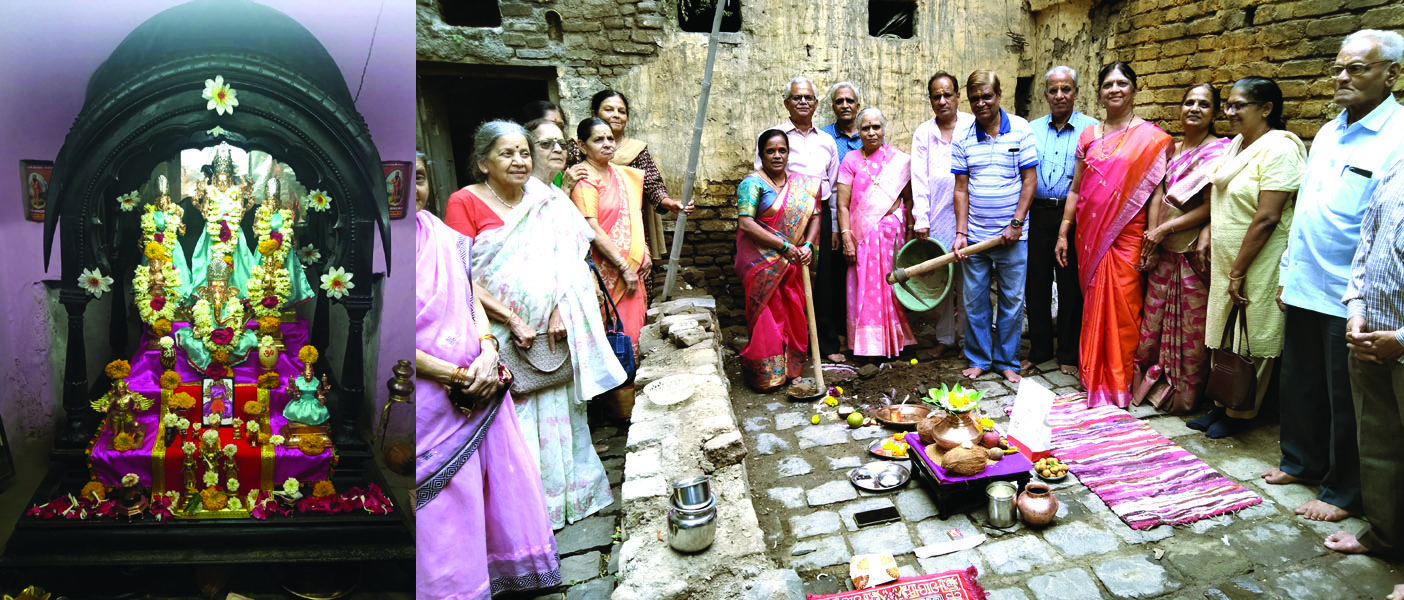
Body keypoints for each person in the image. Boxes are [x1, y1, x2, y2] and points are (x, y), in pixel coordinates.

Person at [443, 120, 624, 528]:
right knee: (515, 421)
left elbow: (570, 259)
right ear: (482, 162)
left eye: (524, 152)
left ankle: (570, 500)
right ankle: (524, 517)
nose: (519, 161)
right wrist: (511, 319)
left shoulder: (546, 198)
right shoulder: (465, 202)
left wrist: (561, 308)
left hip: (552, 330)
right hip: (498, 332)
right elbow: (460, 275)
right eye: (507, 153)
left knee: (563, 412)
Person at [1267, 29, 1404, 523]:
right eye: (1338, 68)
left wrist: (1360, 296)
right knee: (1299, 383)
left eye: (1356, 69)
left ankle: (1343, 492)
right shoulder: (1329, 131)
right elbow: (1304, 208)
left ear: (1392, 74)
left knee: (1348, 399)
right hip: (1305, 280)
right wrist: (1286, 271)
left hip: (1353, 293)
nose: (1342, 77)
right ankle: (1300, 462)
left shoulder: (1398, 137)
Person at [415, 152, 561, 597]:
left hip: (480, 379)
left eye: (417, 177)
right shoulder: (375, 251)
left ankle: (506, 571)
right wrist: (457, 376)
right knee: (446, 503)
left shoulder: (441, 236)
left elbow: (469, 297)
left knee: (493, 484)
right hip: (428, 395)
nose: (406, 188)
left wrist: (486, 349)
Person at [1191, 76, 1305, 438]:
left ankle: (1241, 412)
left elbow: (1268, 216)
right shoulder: (1237, 145)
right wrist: (1209, 233)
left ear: (1267, 109)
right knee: (1225, 333)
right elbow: (1223, 200)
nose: (1230, 112)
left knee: (1251, 337)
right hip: (1230, 259)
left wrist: (1239, 270)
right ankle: (1222, 403)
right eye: (1229, 105)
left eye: (1239, 105)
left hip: (1258, 259)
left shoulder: (1280, 148)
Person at [1054, 63, 1172, 408]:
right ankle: (1091, 376)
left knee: (1125, 308)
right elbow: (1075, 191)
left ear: (1135, 90)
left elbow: (1155, 193)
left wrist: (1152, 236)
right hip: (1089, 235)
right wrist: (1064, 231)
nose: (1115, 89)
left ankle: (1119, 381)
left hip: (1129, 236)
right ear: (1100, 92)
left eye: (1122, 83)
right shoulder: (1089, 136)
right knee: (1092, 305)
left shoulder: (1153, 139)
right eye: (1108, 84)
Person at [1132, 83, 1231, 414]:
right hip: (1163, 250)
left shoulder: (1219, 152)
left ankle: (1183, 396)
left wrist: (1164, 229)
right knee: (1154, 323)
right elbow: (1156, 195)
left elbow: (1211, 206)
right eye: (1189, 102)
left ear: (1215, 112)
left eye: (1204, 104)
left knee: (1189, 330)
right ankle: (1148, 385)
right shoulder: (1170, 149)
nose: (1194, 108)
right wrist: (1151, 235)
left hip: (1191, 254)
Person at [1326, 157, 1404, 560]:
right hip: (1370, 335)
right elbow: (1366, 246)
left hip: (1399, 340)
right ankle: (1385, 537)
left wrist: (1403, 338)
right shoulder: (1397, 167)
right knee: (1378, 445)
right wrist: (1356, 311)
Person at [951, 69, 1038, 383]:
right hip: (976, 236)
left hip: (1014, 236)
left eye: (987, 96)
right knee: (975, 301)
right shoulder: (963, 137)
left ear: (999, 96)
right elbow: (961, 189)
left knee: (1012, 302)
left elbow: (1030, 181)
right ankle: (979, 359)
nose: (981, 103)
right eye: (974, 98)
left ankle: (1006, 361)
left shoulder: (1021, 130)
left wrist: (1016, 223)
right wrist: (961, 234)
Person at [756, 76, 843, 362]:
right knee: (787, 279)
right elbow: (762, 178)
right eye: (797, 98)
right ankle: (789, 344)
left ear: (816, 104)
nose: (803, 102)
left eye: (808, 98)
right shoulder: (776, 137)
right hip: (785, 219)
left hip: (822, 217)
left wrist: (835, 229)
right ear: (786, 103)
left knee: (824, 281)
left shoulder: (827, 141)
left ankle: (826, 345)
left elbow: (833, 185)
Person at [566, 90, 694, 278]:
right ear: (594, 113)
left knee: (639, 277)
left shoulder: (637, 150)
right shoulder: (576, 148)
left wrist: (670, 203)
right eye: (609, 109)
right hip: (590, 224)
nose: (616, 115)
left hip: (630, 227)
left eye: (621, 111)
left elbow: (652, 185)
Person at [735, 129, 822, 390]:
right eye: (770, 151)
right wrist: (784, 246)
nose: (777, 155)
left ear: (788, 153)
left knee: (794, 310)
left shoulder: (801, 185)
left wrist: (807, 244)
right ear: (761, 154)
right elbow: (746, 224)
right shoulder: (752, 184)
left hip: (794, 262)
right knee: (768, 316)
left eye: (782, 150)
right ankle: (768, 375)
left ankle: (791, 367)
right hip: (761, 264)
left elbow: (815, 216)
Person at [1027, 66, 1097, 375]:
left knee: (1070, 284)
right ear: (1045, 95)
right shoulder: (1031, 129)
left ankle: (1068, 352)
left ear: (1076, 92)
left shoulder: (1091, 129)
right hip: (1038, 213)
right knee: (1036, 282)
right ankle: (1041, 348)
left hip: (1073, 216)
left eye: (1066, 89)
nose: (1059, 95)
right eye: (1053, 90)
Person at [836, 107, 916, 358]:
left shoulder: (898, 159)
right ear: (858, 131)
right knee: (864, 288)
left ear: (883, 129)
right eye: (865, 128)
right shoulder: (850, 161)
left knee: (892, 286)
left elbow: (909, 200)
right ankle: (867, 346)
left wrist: (911, 231)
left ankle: (893, 342)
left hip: (892, 236)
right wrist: (847, 237)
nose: (871, 133)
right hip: (861, 238)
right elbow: (841, 204)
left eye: (876, 127)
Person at [911, 71, 976, 358]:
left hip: (971, 216)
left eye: (947, 94)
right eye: (936, 96)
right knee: (942, 280)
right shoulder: (924, 132)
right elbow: (919, 178)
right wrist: (921, 218)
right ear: (930, 100)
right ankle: (945, 337)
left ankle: (967, 340)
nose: (942, 100)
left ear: (958, 96)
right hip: (937, 216)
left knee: (970, 282)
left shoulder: (973, 125)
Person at [571, 117, 650, 351]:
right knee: (614, 336)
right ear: (582, 146)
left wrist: (643, 250)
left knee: (634, 332)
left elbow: (633, 217)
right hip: (607, 272)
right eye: (598, 140)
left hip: (632, 269)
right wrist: (623, 267)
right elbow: (591, 228)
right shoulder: (584, 179)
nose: (607, 143)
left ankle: (635, 384)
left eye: (610, 138)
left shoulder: (622, 175)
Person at [822, 82, 865, 165]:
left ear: (858, 107)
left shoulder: (871, 134)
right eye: (839, 101)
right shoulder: (823, 135)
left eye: (850, 101)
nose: (845, 106)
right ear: (833, 108)